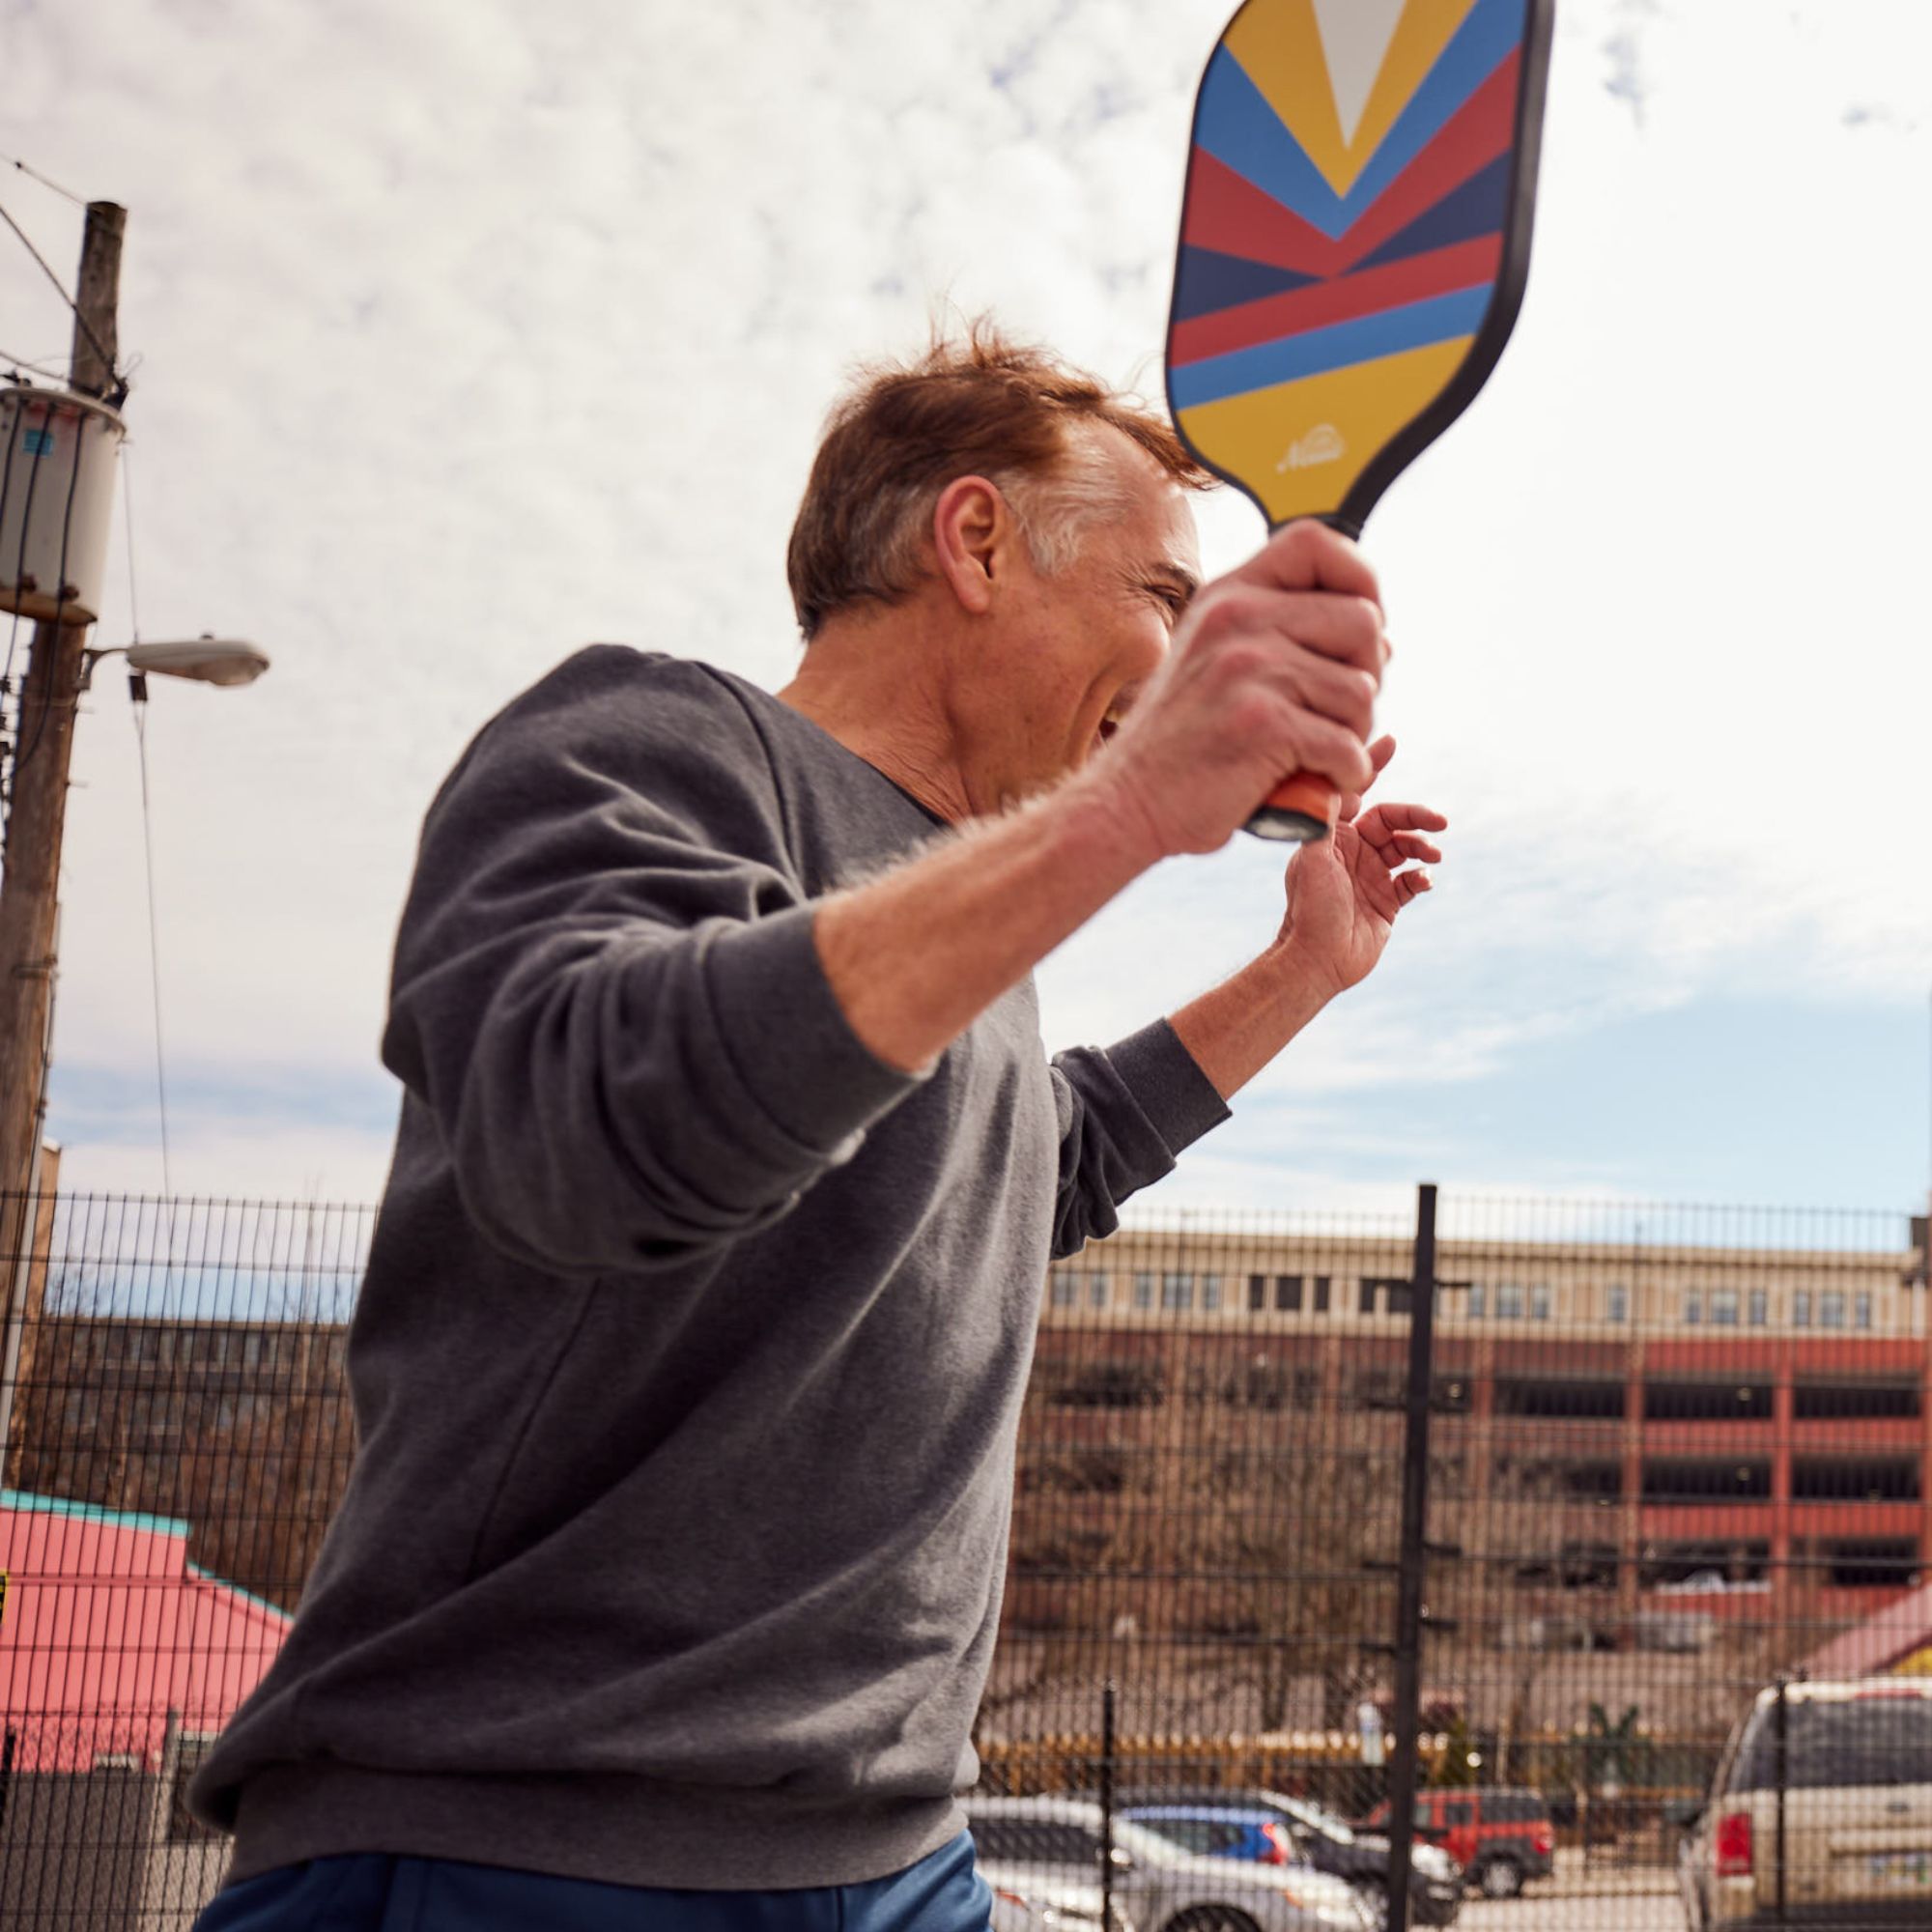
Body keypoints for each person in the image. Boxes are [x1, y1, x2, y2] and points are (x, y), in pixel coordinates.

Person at [187, 326, 1445, 1931]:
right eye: (1159, 600)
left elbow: (1023, 1168)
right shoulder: (650, 745)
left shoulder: (960, 914)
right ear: (976, 540)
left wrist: (1299, 970)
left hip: (893, 1860)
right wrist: (1125, 818)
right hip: (518, 1843)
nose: (1184, 659)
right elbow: (586, 1121)